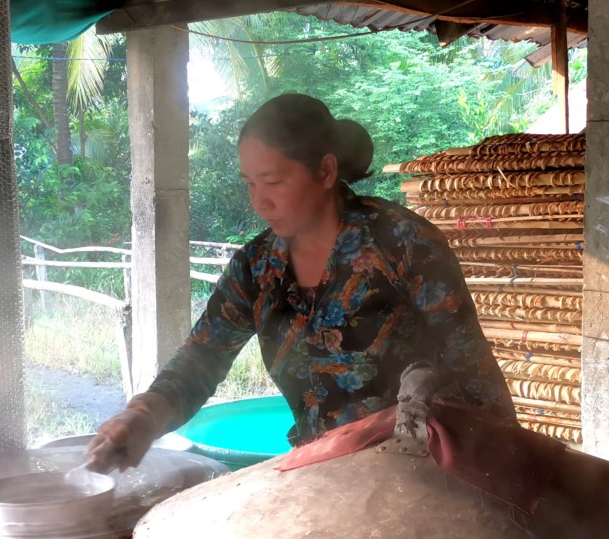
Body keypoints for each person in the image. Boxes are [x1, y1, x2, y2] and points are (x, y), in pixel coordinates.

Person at [88, 93, 514, 470]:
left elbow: (472, 369)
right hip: (319, 476)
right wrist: (142, 415)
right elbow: (201, 360)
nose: (260, 201)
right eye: (251, 184)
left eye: (274, 182)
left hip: (424, 474)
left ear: (326, 171)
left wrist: (512, 472)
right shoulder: (256, 268)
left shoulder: (402, 243)